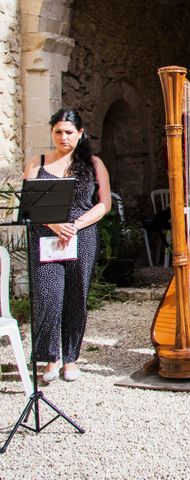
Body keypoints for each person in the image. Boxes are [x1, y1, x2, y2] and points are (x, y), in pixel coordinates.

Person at [23, 109, 111, 382]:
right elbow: (28, 206)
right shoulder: (36, 164)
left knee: (76, 297)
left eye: (69, 132)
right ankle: (50, 358)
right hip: (46, 236)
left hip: (81, 236)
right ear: (52, 132)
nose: (63, 137)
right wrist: (54, 224)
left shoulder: (94, 164)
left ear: (80, 134)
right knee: (47, 296)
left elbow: (104, 203)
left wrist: (77, 224)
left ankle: (71, 358)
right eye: (58, 132)